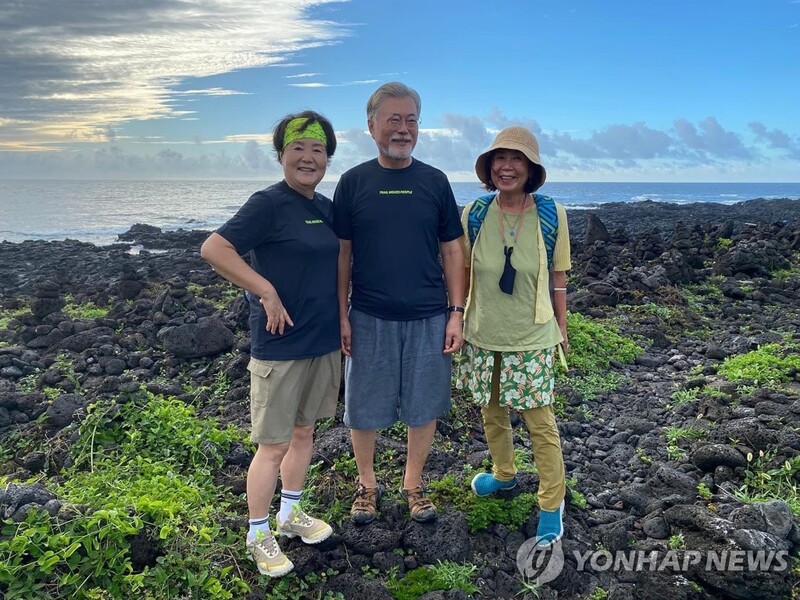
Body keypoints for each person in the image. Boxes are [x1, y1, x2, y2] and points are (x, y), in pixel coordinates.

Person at [200, 111, 340, 577]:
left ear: (327, 159)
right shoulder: (267, 204)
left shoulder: (325, 208)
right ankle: (258, 532)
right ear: (281, 155)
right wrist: (265, 290)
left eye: (317, 150)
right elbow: (215, 249)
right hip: (279, 347)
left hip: (321, 342)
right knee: (273, 445)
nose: (308, 157)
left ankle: (290, 514)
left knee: (305, 434)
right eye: (298, 148)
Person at [333, 82, 465, 525]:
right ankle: (366, 484)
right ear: (371, 126)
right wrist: (341, 315)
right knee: (363, 407)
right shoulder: (352, 183)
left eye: (411, 120)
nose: (403, 129)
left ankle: (412, 484)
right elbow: (343, 255)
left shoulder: (434, 181)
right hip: (368, 315)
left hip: (429, 316)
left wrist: (456, 312)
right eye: (394, 119)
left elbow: (452, 250)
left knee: (424, 405)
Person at [455, 126, 571, 545]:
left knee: (540, 423)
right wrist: (456, 319)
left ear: (530, 168)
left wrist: (562, 327)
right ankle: (504, 474)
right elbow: (462, 273)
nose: (507, 167)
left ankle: (551, 502)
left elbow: (558, 278)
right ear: (490, 168)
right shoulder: (475, 213)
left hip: (533, 334)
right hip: (484, 331)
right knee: (491, 411)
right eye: (500, 159)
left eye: (517, 159)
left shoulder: (550, 214)